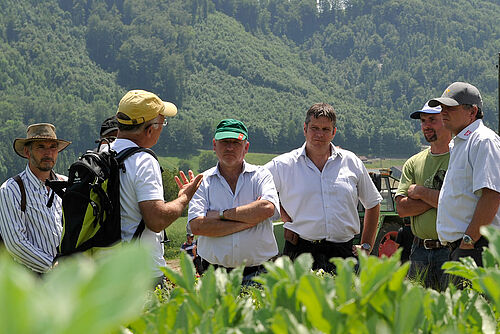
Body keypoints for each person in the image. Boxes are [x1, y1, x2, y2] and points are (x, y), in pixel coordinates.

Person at [264, 103, 382, 272]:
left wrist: (367, 246)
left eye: (326, 129)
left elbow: (372, 203)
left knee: (344, 299)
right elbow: (257, 188)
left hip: (343, 253)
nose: (319, 134)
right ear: (305, 129)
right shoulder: (283, 165)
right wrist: (283, 213)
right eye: (314, 128)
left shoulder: (351, 162)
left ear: (334, 132)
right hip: (301, 251)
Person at [111, 89, 203, 286]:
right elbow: (156, 220)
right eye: (162, 123)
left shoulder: (102, 153)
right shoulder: (143, 160)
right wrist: (184, 197)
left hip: (106, 267)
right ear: (150, 129)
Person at [188, 119, 280, 283]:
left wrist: (219, 215)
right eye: (225, 142)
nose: (230, 147)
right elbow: (197, 226)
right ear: (215, 145)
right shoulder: (202, 181)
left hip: (260, 274)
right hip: (215, 276)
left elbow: (267, 209)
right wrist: (250, 221)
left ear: (246, 147)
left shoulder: (261, 175)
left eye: (236, 142)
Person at [428, 82, 500, 270]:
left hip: (476, 247)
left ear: (472, 111)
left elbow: (492, 195)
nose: (443, 112)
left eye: (451, 107)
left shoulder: (483, 140)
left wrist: (468, 241)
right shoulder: (460, 143)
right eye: (442, 107)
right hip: (465, 247)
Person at [0, 123, 71, 273]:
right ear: (27, 152)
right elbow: (15, 243)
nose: (48, 153)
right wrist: (52, 266)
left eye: (53, 147)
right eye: (41, 147)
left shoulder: (66, 184)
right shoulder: (11, 189)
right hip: (32, 280)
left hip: (65, 277)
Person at [395, 102, 452, 290]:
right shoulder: (413, 162)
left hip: (451, 250)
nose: (426, 125)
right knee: (418, 311)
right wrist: (441, 198)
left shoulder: (459, 158)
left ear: (446, 120)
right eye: (423, 121)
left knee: (454, 310)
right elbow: (402, 209)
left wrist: (420, 193)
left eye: (432, 120)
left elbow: (459, 204)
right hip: (419, 250)